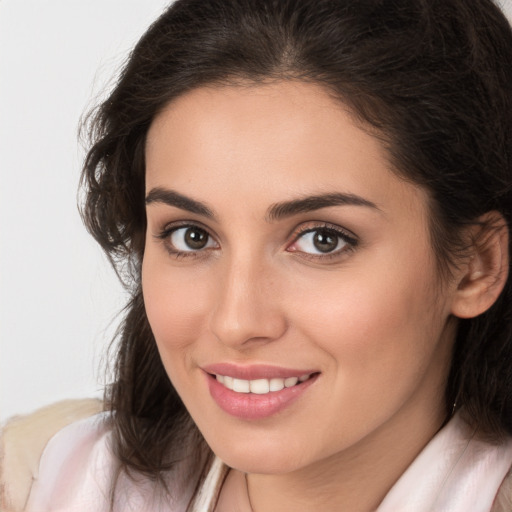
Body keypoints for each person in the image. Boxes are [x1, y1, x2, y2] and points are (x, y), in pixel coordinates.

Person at [2, 0, 512, 510]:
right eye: (191, 236)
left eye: (322, 240)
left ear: (476, 265)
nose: (236, 321)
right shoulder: (41, 483)